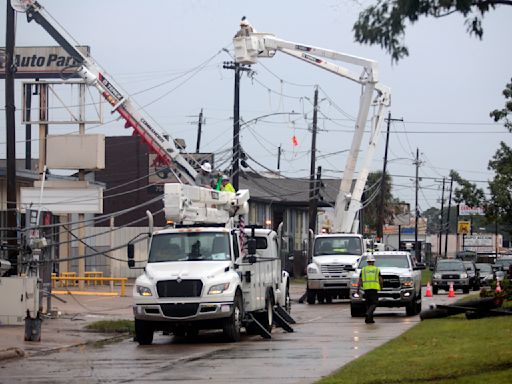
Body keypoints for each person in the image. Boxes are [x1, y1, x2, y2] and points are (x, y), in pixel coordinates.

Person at [357, 254, 383, 324]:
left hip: (366, 289)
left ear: (367, 262)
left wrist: (358, 289)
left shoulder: (363, 269)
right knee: (374, 303)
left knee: (368, 304)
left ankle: (369, 320)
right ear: (373, 262)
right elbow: (380, 279)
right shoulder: (376, 269)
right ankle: (368, 313)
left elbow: (360, 280)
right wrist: (381, 287)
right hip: (374, 289)